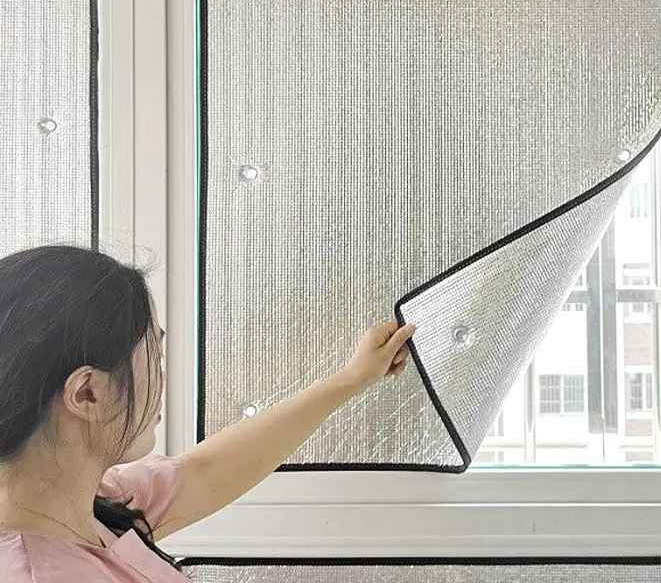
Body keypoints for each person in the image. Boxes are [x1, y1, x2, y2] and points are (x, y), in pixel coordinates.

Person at [0, 246, 416, 581]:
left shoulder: (83, 500)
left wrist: (351, 380)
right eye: (154, 357)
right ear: (87, 393)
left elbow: (206, 471)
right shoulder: (35, 571)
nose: (163, 378)